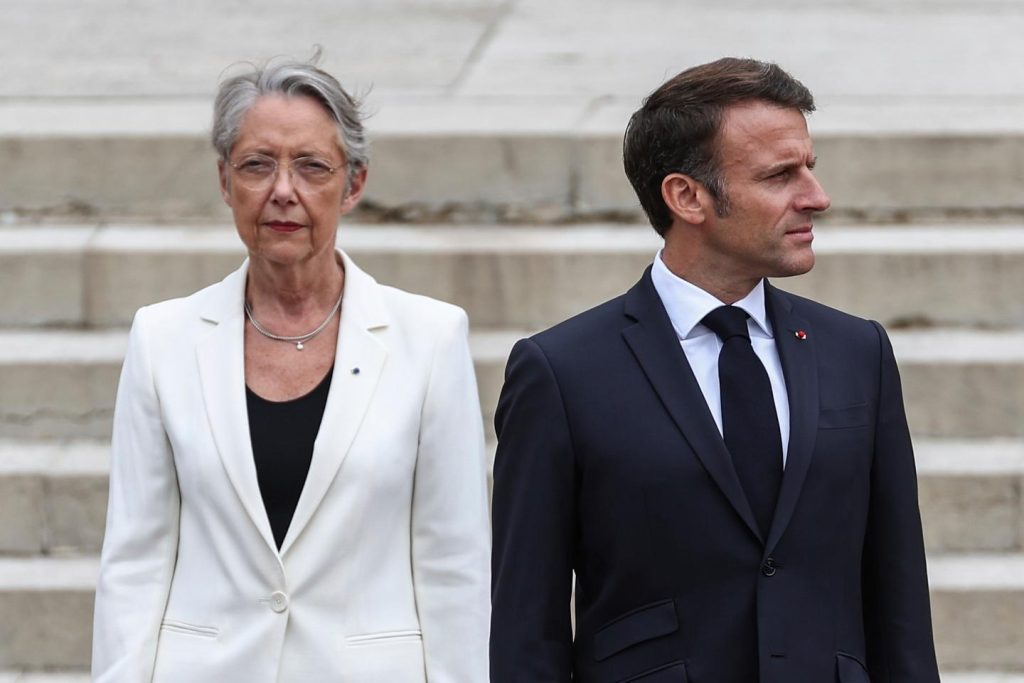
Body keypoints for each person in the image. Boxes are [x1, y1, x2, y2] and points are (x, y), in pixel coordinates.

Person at [490, 57, 939, 683]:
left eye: (810, 167)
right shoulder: (562, 373)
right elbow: (524, 631)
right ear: (687, 196)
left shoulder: (856, 352)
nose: (816, 196)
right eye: (781, 174)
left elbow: (900, 604)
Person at [92, 56, 490, 682]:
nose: (283, 190)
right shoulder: (162, 339)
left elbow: (455, 564)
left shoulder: (432, 340)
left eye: (311, 166)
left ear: (353, 184)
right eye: (257, 165)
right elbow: (134, 560)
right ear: (225, 181)